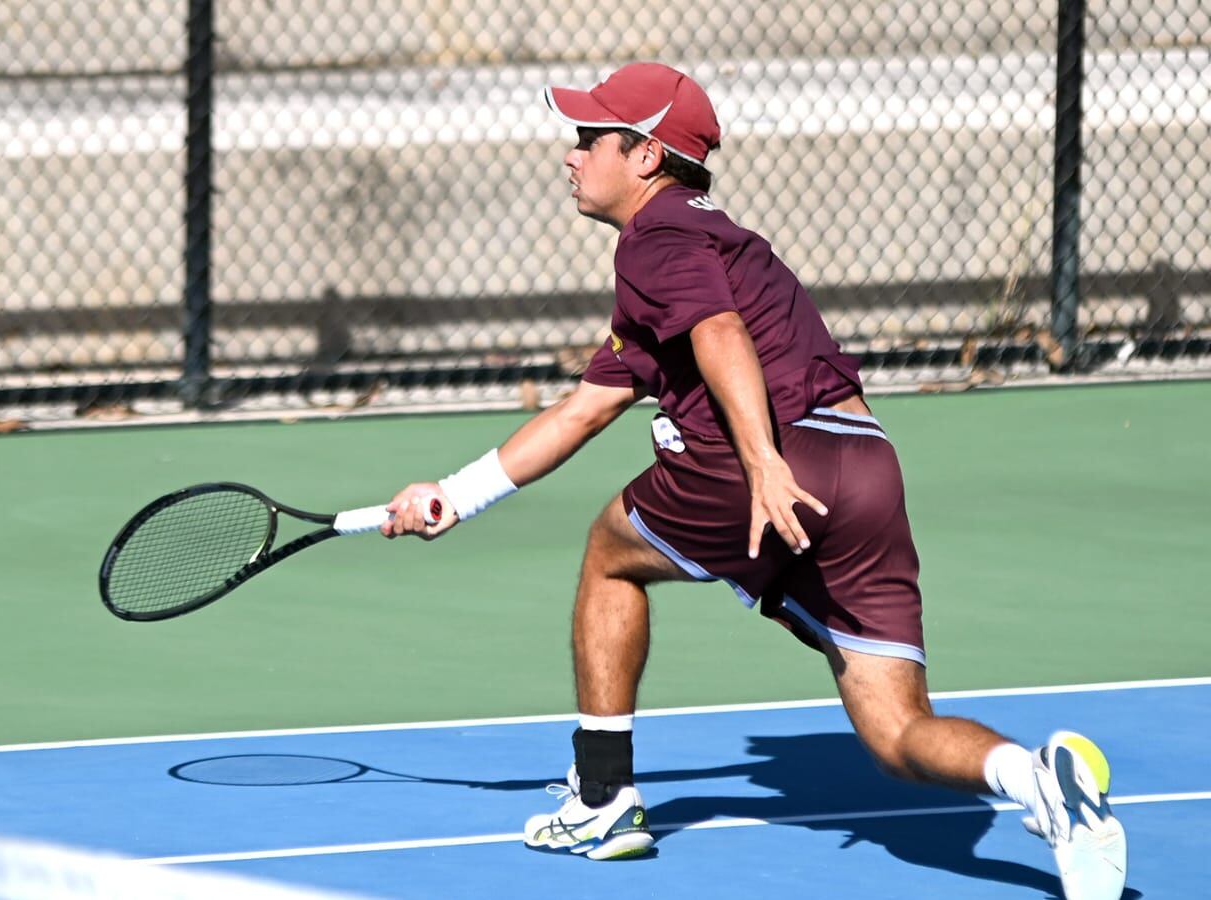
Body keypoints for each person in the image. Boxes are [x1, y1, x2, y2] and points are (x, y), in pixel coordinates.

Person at [377, 62, 1126, 899]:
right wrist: (456, 491)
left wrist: (765, 463)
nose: (572, 154)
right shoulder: (719, 243)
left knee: (609, 553)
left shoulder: (655, 239)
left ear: (648, 157)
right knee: (896, 731)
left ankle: (601, 799)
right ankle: (1041, 782)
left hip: (765, 460)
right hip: (866, 466)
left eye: (592, 138)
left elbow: (721, 331)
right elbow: (583, 411)